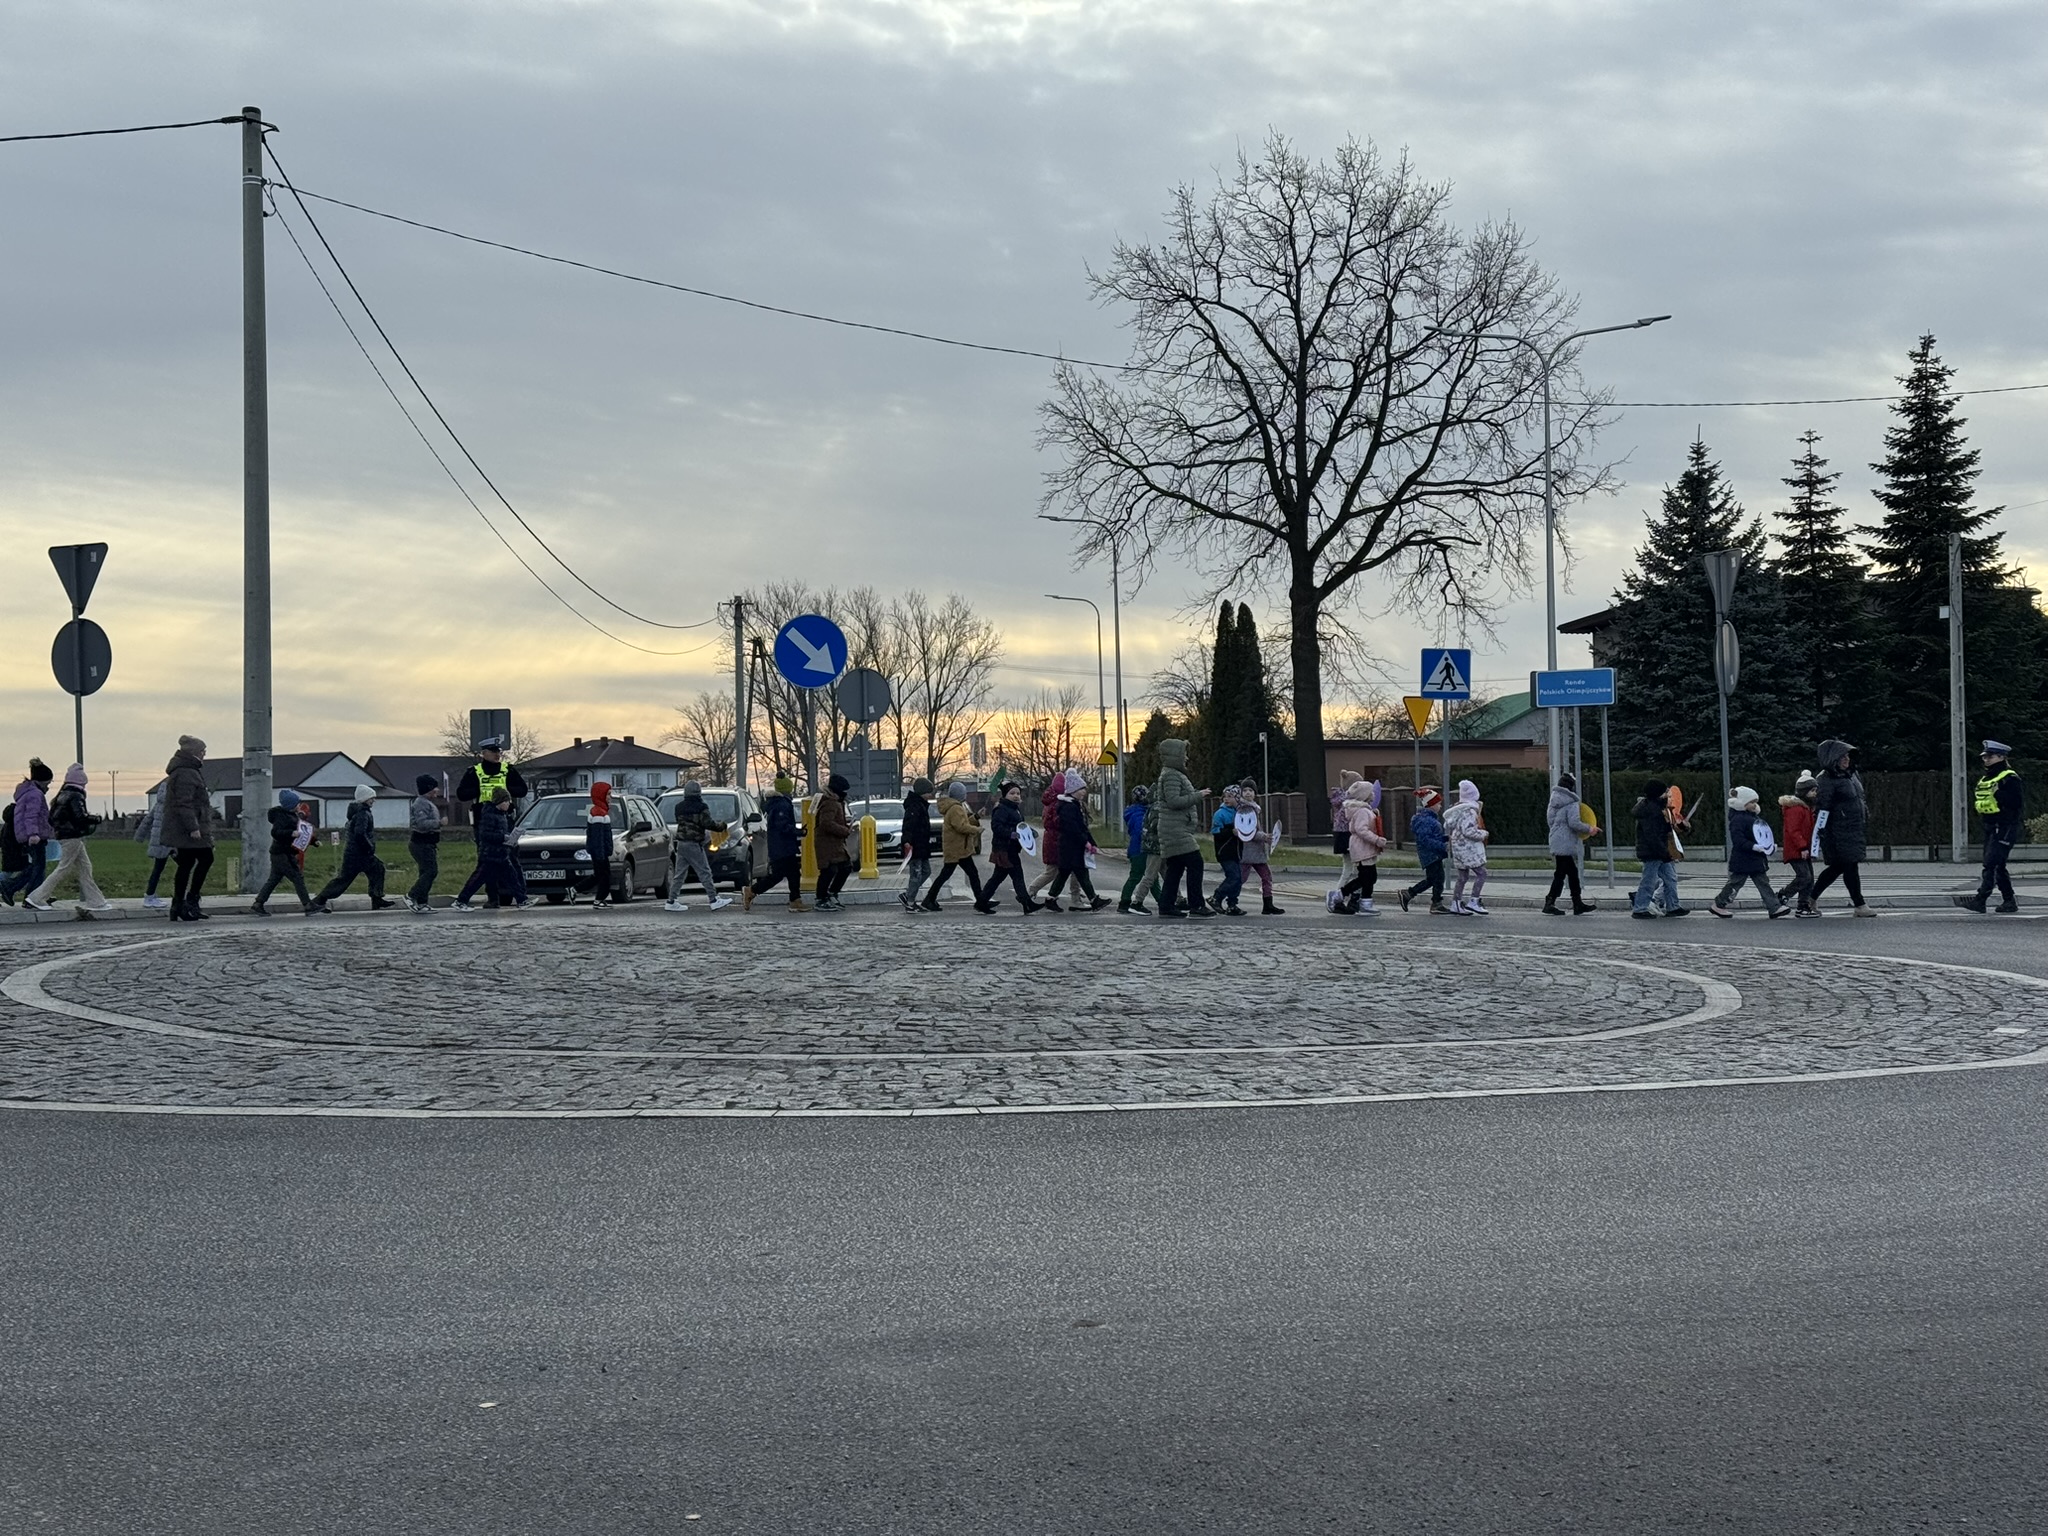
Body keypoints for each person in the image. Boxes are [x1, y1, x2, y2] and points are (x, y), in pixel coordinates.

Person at [25, 764, 112, 913]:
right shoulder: (76, 795)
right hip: (72, 836)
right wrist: (96, 818)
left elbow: (52, 818)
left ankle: (96, 901)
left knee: (85, 868)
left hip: (65, 836)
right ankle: (37, 897)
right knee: (64, 868)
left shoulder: (62, 794)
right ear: (81, 782)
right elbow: (80, 817)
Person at [1808, 739, 1876, 917]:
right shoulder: (1825, 779)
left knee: (1838, 867)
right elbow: (1822, 806)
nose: (1847, 759)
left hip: (1853, 828)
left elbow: (1859, 799)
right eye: (1842, 756)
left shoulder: (1851, 775)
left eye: (1848, 756)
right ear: (1833, 759)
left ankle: (1810, 898)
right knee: (1849, 866)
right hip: (1837, 831)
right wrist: (1820, 832)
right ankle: (1860, 904)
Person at [455, 737, 528, 902]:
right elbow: (461, 794)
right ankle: (493, 897)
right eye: (493, 751)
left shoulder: (508, 770)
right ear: (484, 753)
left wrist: (505, 790)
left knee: (510, 858)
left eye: (499, 751)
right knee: (487, 861)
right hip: (484, 821)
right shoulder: (474, 772)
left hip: (505, 820)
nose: (497, 755)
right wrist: (480, 789)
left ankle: (519, 895)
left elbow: (522, 790)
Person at [1957, 740, 2025, 913]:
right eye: (1984, 757)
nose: (1986, 759)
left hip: (2005, 826)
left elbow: (2017, 802)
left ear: (2001, 757)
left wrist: (1998, 793)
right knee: (1998, 865)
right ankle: (2009, 901)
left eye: (1990, 756)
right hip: (1990, 825)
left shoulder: (2009, 777)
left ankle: (1980, 900)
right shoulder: (1987, 777)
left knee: (1991, 864)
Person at [310, 785, 395, 914]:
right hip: (359, 853)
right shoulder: (362, 813)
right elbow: (360, 833)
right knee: (346, 879)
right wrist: (369, 847)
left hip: (355, 852)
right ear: (364, 799)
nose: (374, 800)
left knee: (376, 870)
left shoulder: (358, 812)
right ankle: (319, 900)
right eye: (371, 798)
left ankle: (377, 898)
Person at [1711, 787, 1790, 919]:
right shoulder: (1739, 819)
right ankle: (1719, 904)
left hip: (1753, 858)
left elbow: (1760, 835)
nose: (1754, 805)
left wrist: (1768, 846)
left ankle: (1774, 907)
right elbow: (1738, 840)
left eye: (1755, 802)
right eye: (1751, 802)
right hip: (1744, 858)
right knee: (1736, 883)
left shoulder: (1749, 817)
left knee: (1761, 882)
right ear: (1742, 803)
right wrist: (1754, 847)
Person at [1154, 739, 1211, 919]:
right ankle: (1196, 904)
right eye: (1183, 754)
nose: (1186, 758)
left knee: (1175, 868)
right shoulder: (1171, 775)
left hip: (1174, 828)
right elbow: (1173, 801)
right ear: (1175, 755)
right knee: (1195, 862)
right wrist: (1198, 795)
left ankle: (1166, 905)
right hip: (1175, 830)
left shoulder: (1172, 774)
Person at [161, 736, 215, 921]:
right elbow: (184, 803)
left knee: (186, 864)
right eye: (202, 751)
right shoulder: (186, 773)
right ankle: (190, 902)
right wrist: (193, 827)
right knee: (206, 858)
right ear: (194, 753)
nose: (204, 754)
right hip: (188, 828)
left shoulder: (185, 770)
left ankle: (178, 905)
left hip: (184, 827)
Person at [1046, 772, 1111, 911]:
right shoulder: (1068, 807)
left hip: (1071, 847)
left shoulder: (1074, 805)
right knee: (1081, 873)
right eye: (1081, 789)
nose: (1084, 792)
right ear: (1073, 790)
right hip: (1070, 847)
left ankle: (1051, 898)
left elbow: (1082, 827)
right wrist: (1085, 842)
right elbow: (1074, 829)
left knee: (1064, 874)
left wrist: (1092, 842)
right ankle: (1094, 900)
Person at [924, 781, 992, 912]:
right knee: (967, 874)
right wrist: (976, 830)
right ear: (960, 794)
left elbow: (962, 822)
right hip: (958, 849)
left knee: (953, 874)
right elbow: (961, 827)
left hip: (957, 848)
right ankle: (980, 902)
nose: (965, 794)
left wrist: (977, 816)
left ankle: (930, 899)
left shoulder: (954, 807)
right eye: (964, 792)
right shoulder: (956, 808)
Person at [666, 780, 733, 912]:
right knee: (704, 872)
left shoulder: (678, 807)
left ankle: (671, 900)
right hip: (694, 844)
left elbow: (680, 821)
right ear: (699, 792)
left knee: (680, 874)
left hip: (681, 843)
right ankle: (713, 899)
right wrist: (721, 826)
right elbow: (707, 823)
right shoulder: (701, 807)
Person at [454, 787, 525, 910]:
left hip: (501, 854)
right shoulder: (489, 815)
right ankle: (461, 900)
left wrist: (510, 839)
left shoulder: (502, 815)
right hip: (490, 855)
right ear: (499, 802)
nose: (509, 804)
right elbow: (485, 834)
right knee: (478, 879)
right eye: (506, 801)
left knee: (512, 877)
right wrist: (503, 837)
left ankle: (522, 900)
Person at [251, 790, 316, 915]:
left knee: (274, 880)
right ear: (291, 805)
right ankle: (308, 905)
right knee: (297, 878)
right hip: (282, 854)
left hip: (281, 853)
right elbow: (276, 832)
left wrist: (313, 840)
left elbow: (300, 828)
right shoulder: (282, 817)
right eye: (297, 803)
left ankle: (258, 904)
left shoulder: (290, 815)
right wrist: (291, 833)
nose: (299, 805)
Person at [1, 759, 55, 906]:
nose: (48, 786)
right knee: (38, 868)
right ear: (41, 780)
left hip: (29, 836)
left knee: (35, 867)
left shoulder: (27, 792)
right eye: (48, 783)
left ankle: (32, 896)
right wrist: (33, 834)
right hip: (34, 837)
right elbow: (31, 816)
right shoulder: (35, 794)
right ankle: (25, 895)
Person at [1541, 772, 1597, 916]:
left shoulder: (1554, 801)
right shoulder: (1571, 803)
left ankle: (1575, 903)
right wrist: (1590, 829)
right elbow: (1574, 823)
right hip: (1565, 842)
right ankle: (1552, 902)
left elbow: (1550, 821)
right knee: (1562, 873)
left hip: (1556, 839)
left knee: (1569, 873)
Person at [746, 775, 805, 911]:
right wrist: (798, 832)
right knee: (778, 875)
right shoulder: (782, 804)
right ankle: (752, 891)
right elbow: (782, 825)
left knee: (793, 874)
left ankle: (795, 900)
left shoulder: (777, 803)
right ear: (787, 788)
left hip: (781, 846)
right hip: (782, 847)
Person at [1629, 779, 1685, 919]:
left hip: (1659, 851)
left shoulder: (1657, 808)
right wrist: (1664, 852)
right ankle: (1640, 908)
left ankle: (1673, 906)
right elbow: (1653, 835)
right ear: (1658, 794)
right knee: (1649, 880)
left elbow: (1664, 830)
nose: (1667, 795)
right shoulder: (1652, 811)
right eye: (1665, 792)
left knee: (1670, 878)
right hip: (1653, 852)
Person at [1333, 779, 1385, 914]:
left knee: (1369, 877)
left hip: (1365, 848)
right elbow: (1361, 829)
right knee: (1367, 877)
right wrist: (1377, 840)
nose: (1374, 794)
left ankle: (1362, 901)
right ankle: (1342, 895)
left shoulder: (1365, 810)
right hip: (1363, 848)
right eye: (1371, 792)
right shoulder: (1362, 811)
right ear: (1365, 795)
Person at [989, 781, 1041, 913]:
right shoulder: (1001, 809)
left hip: (1011, 848)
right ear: (1005, 795)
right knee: (1017, 876)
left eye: (1018, 793)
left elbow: (1020, 826)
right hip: (1004, 849)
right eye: (1012, 793)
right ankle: (1027, 903)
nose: (1016, 796)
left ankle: (982, 901)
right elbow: (997, 827)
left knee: (998, 878)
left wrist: (1030, 832)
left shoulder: (1015, 809)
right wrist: (1011, 834)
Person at [1398, 787, 1450, 914]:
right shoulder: (1426, 820)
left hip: (1433, 854)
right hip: (1430, 855)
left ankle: (1431, 900)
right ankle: (1414, 895)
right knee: (1435, 879)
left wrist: (1446, 838)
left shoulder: (1429, 819)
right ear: (1431, 805)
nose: (1440, 806)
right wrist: (1443, 846)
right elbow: (1426, 840)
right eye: (1438, 803)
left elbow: (1433, 837)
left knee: (1436, 879)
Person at [1775, 771, 1820, 917]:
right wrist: (1802, 847)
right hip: (1797, 850)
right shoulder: (1796, 809)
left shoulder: (1805, 808)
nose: (1814, 793)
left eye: (1815, 790)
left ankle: (1803, 905)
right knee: (1805, 877)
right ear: (1803, 792)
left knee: (1809, 878)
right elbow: (1793, 830)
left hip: (1803, 849)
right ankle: (1783, 895)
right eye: (1812, 791)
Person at [1234, 780, 1283, 915]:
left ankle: (1268, 904)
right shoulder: (1244, 809)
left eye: (1251, 790)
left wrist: (1265, 838)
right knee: (1240, 879)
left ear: (1255, 793)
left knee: (1266, 876)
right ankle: (1226, 899)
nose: (1248, 793)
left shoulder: (1254, 808)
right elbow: (1247, 831)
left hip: (1256, 851)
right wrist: (1264, 836)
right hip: (1248, 851)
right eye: (1245, 790)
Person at [1444, 779, 1491, 915]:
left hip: (1458, 848)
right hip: (1468, 849)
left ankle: (1456, 903)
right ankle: (1474, 901)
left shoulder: (1458, 811)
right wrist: (1483, 834)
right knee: (1482, 873)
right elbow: (1468, 831)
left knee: (1463, 877)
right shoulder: (1470, 811)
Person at [811, 774, 854, 911]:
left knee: (845, 866)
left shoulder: (835, 801)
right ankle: (821, 898)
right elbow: (826, 823)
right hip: (827, 843)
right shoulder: (830, 802)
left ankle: (831, 894)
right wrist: (844, 830)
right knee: (829, 870)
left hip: (834, 843)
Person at [1117, 784, 1159, 913]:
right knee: (1143, 876)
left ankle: (1162, 900)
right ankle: (1124, 902)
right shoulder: (1141, 813)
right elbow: (1141, 831)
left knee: (1150, 877)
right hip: (1141, 848)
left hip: (1136, 848)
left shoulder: (1133, 812)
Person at [1208, 786, 1247, 916]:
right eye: (1225, 796)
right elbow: (1216, 831)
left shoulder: (1240, 813)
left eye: (1230, 796)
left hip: (1236, 851)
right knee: (1233, 877)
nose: (1226, 799)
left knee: (1238, 879)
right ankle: (1216, 896)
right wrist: (1230, 831)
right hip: (1224, 851)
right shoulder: (1220, 814)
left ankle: (1232, 904)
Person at [407, 775, 444, 913]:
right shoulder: (420, 804)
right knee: (431, 871)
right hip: (421, 843)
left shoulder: (427, 803)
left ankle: (422, 903)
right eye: (435, 787)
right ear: (428, 789)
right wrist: (439, 823)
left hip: (427, 843)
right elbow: (422, 824)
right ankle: (412, 895)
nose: (437, 790)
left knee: (425, 872)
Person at [131, 790, 173, 910]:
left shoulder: (159, 804)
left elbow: (148, 819)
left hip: (159, 841)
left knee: (158, 868)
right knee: (183, 867)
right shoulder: (172, 805)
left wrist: (139, 836)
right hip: (169, 840)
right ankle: (150, 896)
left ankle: (150, 895)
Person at [899, 778, 935, 913]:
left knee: (926, 871)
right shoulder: (914, 806)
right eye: (929, 792)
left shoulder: (921, 805)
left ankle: (908, 895)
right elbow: (908, 826)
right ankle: (910, 901)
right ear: (922, 792)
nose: (931, 795)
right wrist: (907, 842)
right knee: (916, 874)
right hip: (915, 846)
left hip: (922, 846)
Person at [1028, 776, 1065, 903]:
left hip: (1052, 840)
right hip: (1055, 841)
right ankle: (1033, 890)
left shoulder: (1051, 801)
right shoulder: (1056, 803)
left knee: (1058, 871)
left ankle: (1073, 894)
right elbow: (1057, 822)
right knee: (1052, 872)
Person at [583, 780, 617, 908]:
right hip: (599, 853)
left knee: (601, 876)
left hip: (600, 852)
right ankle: (598, 900)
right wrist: (601, 854)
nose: (610, 797)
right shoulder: (598, 813)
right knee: (604, 877)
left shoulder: (600, 811)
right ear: (601, 795)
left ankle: (577, 890)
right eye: (608, 794)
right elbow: (598, 837)